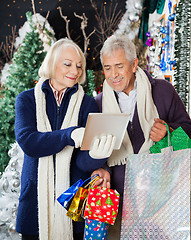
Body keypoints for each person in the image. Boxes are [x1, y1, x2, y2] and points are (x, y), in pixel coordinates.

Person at [15, 38, 115, 240]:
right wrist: (69, 135)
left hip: (73, 204)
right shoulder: (26, 100)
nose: (75, 71)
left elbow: (82, 161)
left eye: (79, 66)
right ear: (52, 64)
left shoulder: (87, 104)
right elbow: (29, 142)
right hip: (35, 204)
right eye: (67, 64)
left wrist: (97, 155)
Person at [92, 34, 191, 237]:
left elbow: (188, 131)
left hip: (160, 197)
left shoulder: (162, 91)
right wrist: (101, 168)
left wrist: (168, 131)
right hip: (117, 197)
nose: (113, 75)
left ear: (134, 64)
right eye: (108, 68)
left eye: (119, 66)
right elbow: (93, 149)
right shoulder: (98, 104)